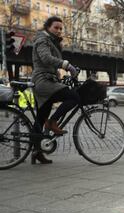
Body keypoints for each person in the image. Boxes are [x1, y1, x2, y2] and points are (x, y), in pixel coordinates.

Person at [31, 16, 79, 164]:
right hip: (43, 82)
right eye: (55, 27)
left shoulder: (51, 41)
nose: (58, 31)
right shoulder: (42, 39)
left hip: (48, 81)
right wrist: (66, 65)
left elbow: (50, 65)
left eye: (60, 28)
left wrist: (59, 76)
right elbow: (45, 58)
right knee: (74, 97)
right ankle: (52, 122)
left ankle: (37, 152)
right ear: (48, 27)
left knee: (40, 119)